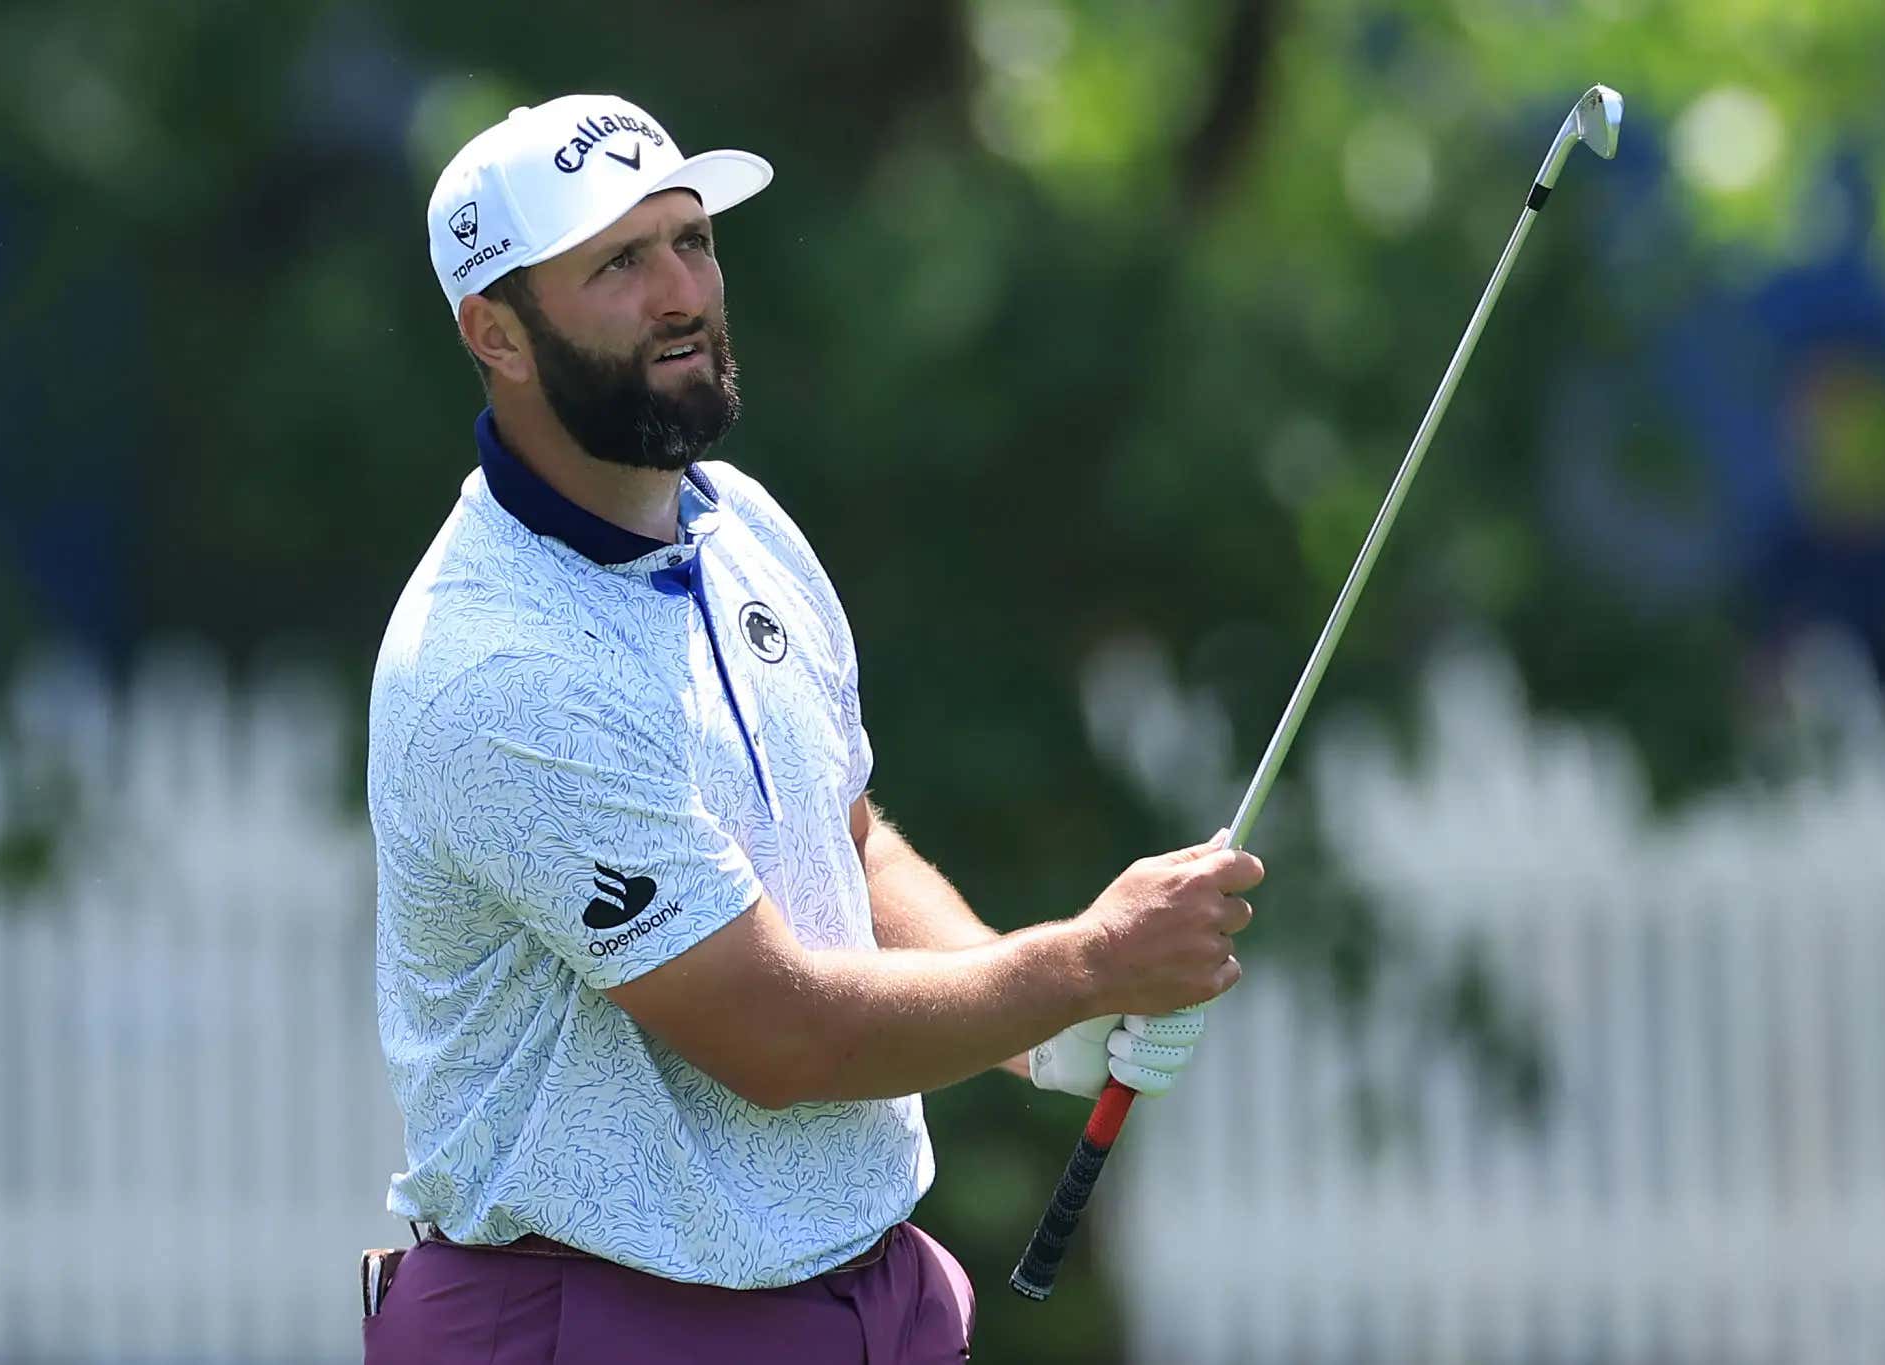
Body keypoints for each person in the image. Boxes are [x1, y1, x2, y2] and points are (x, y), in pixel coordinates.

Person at [362, 92, 1264, 1365]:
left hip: (863, 1289)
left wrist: (1031, 1025)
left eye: (692, 240)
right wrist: (1078, 966)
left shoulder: (740, 527)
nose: (682, 292)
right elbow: (780, 1037)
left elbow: (843, 833)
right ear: (494, 333)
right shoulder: (497, 670)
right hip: (601, 1321)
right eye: (617, 262)